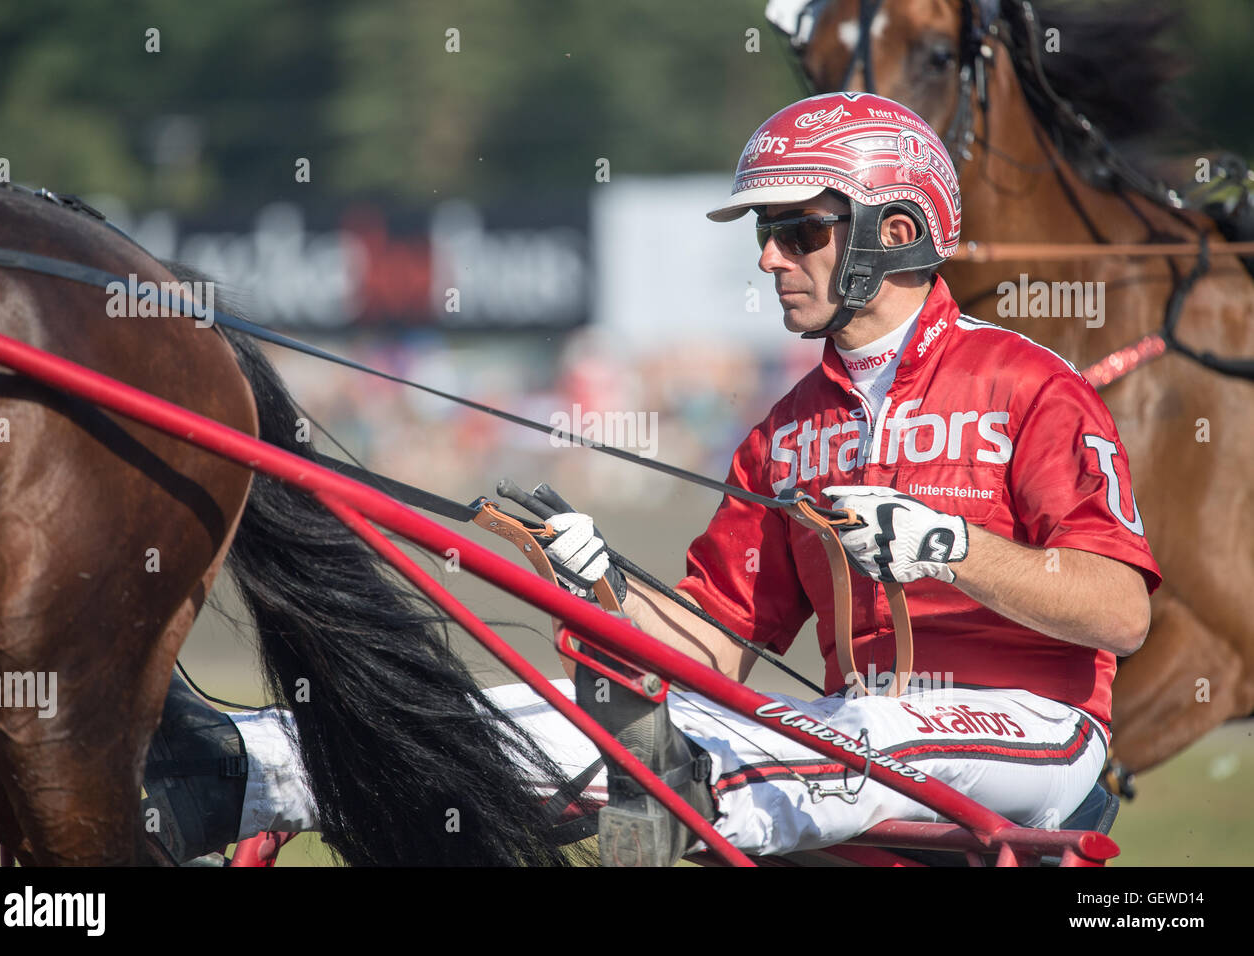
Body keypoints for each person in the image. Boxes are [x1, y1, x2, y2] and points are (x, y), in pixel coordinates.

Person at [145, 92, 1159, 866]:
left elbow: (1119, 612)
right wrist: (603, 583)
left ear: (894, 231)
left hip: (1037, 736)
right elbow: (715, 649)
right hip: (847, 754)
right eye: (764, 235)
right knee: (604, 707)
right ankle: (249, 762)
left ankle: (676, 801)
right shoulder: (783, 433)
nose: (769, 259)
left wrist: (949, 545)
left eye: (798, 229)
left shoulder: (1029, 384)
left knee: (847, 727)